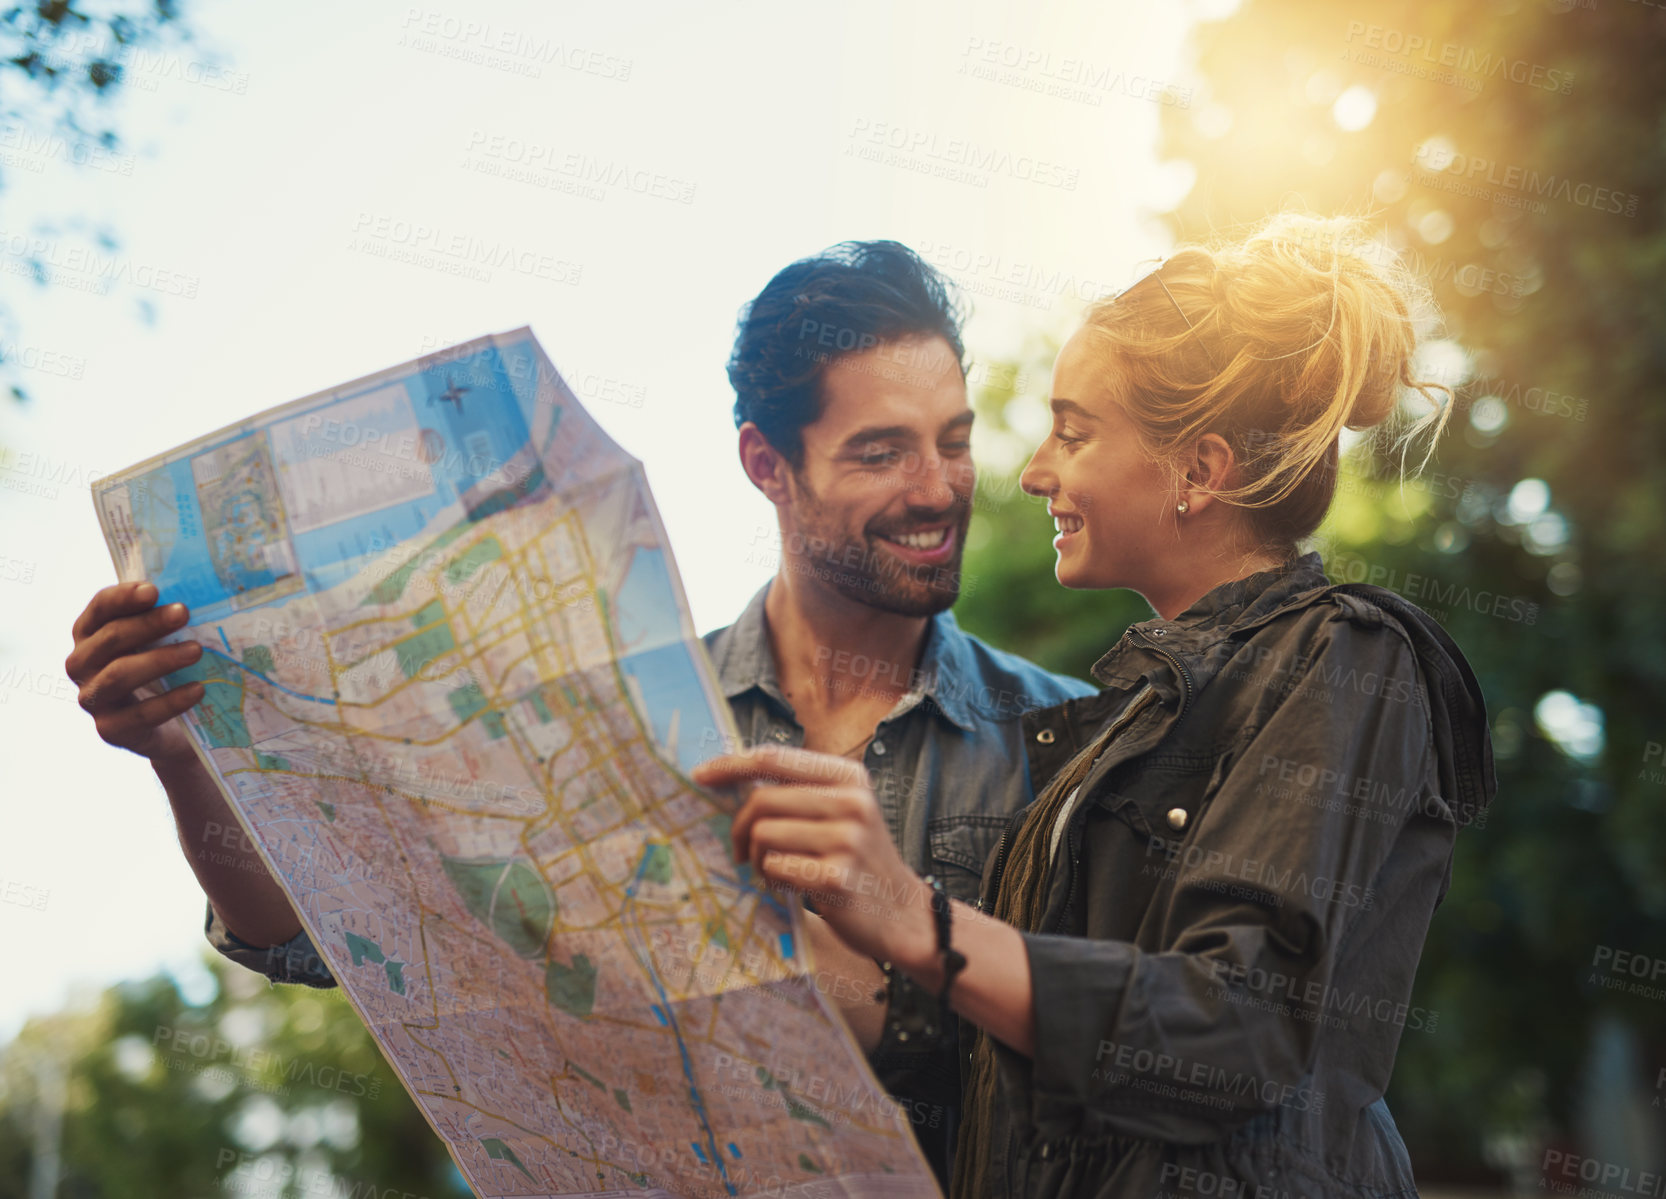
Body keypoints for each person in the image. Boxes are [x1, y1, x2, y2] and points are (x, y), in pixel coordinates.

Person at [62, 240, 1093, 1189]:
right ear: (766, 464)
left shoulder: (1077, 743)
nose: (938, 488)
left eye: (951, 442)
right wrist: (180, 752)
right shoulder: (605, 720)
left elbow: (1131, 1061)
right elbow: (298, 934)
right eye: (881, 452)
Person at [693, 213, 1498, 1198]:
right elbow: (1031, 1046)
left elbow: (1233, 1029)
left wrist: (910, 913)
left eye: (1073, 432)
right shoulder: (1111, 727)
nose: (1033, 471)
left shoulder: (1343, 656)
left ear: (1199, 471)